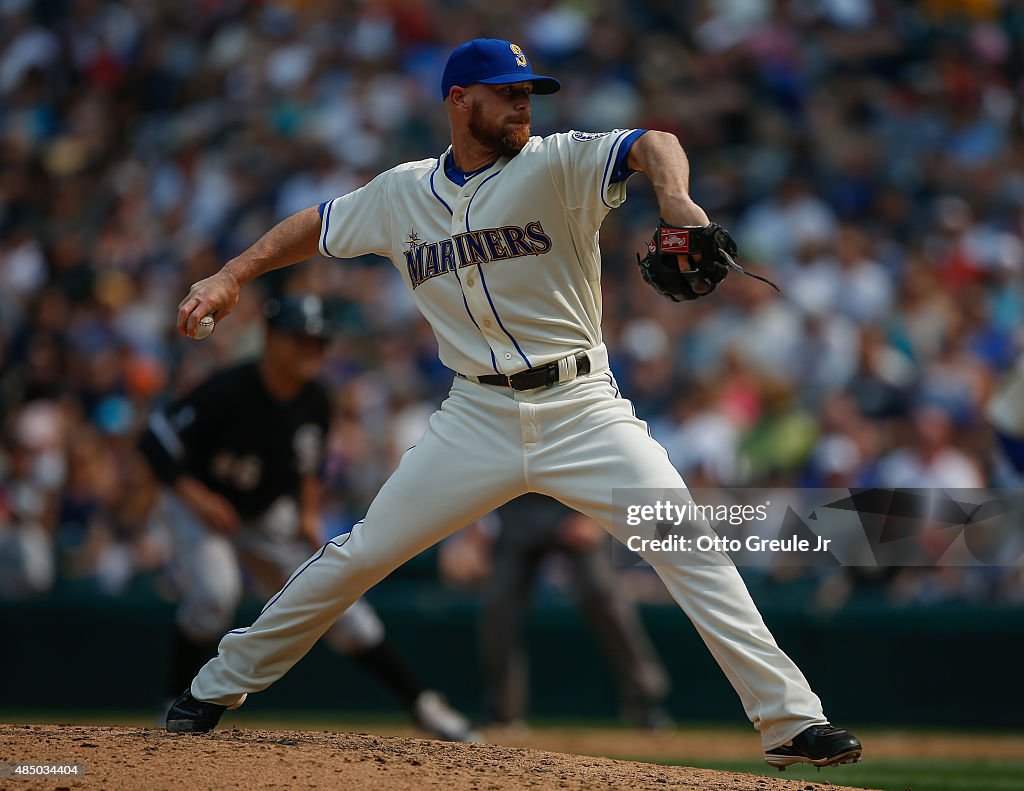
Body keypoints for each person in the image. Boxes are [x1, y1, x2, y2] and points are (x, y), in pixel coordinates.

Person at [167, 39, 862, 770]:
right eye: (509, 92)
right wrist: (232, 272)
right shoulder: (402, 192)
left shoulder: (557, 162)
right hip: (475, 417)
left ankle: (790, 720)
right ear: (461, 101)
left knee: (688, 543)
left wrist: (677, 197)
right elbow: (319, 223)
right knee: (359, 554)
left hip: (582, 407)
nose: (525, 103)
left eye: (530, 91)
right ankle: (213, 688)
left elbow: (655, 142)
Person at [142, 293, 478, 742]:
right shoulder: (226, 389)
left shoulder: (317, 399)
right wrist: (199, 498)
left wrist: (309, 511)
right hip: (201, 511)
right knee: (214, 594)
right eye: (299, 340)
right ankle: (173, 704)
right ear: (271, 338)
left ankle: (422, 704)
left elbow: (311, 465)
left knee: (339, 601)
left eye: (318, 343)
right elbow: (154, 443)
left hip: (265, 516)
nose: (311, 351)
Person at [443, 494, 672, 729]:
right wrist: (474, 530)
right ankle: (501, 713)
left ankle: (646, 704)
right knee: (498, 603)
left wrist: (597, 518)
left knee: (601, 591)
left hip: (575, 503)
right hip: (516, 509)